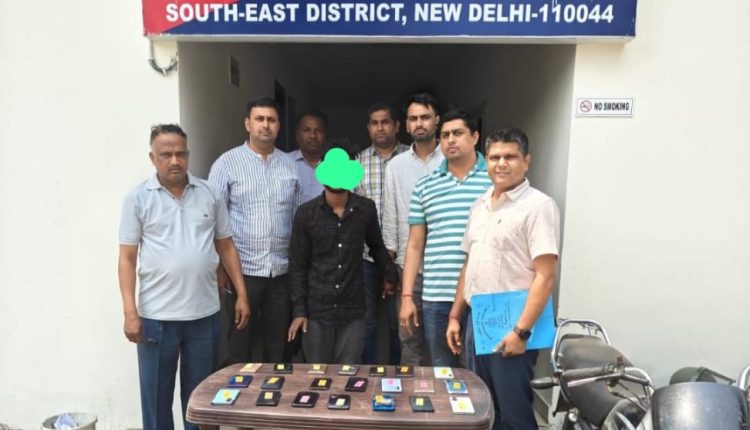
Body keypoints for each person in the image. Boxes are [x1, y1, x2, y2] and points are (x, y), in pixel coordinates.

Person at [118, 124, 250, 430]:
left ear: (188, 154)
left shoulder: (209, 193)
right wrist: (129, 312)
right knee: (156, 399)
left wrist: (242, 294)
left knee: (201, 402)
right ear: (152, 158)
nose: (174, 160)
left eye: (180, 153)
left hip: (204, 314)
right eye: (166, 154)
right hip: (156, 318)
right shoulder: (138, 198)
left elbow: (226, 245)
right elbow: (127, 258)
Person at [446, 127, 560, 430]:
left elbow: (546, 275)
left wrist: (521, 332)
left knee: (514, 413)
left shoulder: (538, 206)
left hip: (513, 323)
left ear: (526, 161)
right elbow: (469, 263)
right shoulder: (479, 206)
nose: (501, 164)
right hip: (478, 320)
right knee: (484, 408)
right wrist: (455, 315)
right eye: (495, 157)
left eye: (510, 157)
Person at [208, 96, 301, 364]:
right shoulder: (226, 163)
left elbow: (296, 217)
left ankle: (275, 391)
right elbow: (213, 220)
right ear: (248, 123)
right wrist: (220, 268)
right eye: (259, 119)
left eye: (271, 120)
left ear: (279, 125)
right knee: (239, 346)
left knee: (278, 347)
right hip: (241, 271)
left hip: (281, 272)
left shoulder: (290, 166)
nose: (265, 125)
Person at [399, 109, 492, 367]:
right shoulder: (425, 186)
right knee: (443, 374)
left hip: (483, 295)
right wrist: (407, 297)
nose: (450, 140)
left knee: (479, 375)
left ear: (475, 137)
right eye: (445, 135)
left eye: (458, 133)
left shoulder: (494, 181)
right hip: (437, 295)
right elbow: (414, 245)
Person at [287, 148, 399, 364]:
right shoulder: (306, 213)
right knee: (317, 373)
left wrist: (390, 275)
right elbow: (298, 264)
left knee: (349, 373)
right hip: (316, 311)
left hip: (352, 308)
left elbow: (376, 246)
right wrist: (299, 311)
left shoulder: (365, 209)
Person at [382, 92, 444, 366]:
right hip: (408, 268)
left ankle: (445, 391)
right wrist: (391, 265)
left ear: (437, 120)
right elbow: (391, 215)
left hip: (446, 268)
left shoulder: (451, 159)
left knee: (443, 340)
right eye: (413, 118)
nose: (419, 123)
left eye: (425, 117)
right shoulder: (396, 166)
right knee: (409, 338)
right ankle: (413, 390)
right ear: (406, 125)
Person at [354, 102, 409, 364]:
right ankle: (367, 378)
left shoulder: (411, 158)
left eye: (385, 122)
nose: (380, 128)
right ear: (368, 128)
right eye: (374, 123)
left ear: (397, 126)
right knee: (367, 325)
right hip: (367, 258)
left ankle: (398, 377)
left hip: (404, 258)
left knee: (400, 324)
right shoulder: (357, 163)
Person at [287, 109, 327, 203]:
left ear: (325, 135)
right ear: (297, 135)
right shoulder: (284, 162)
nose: (313, 136)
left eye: (318, 130)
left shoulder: (335, 165)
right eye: (306, 130)